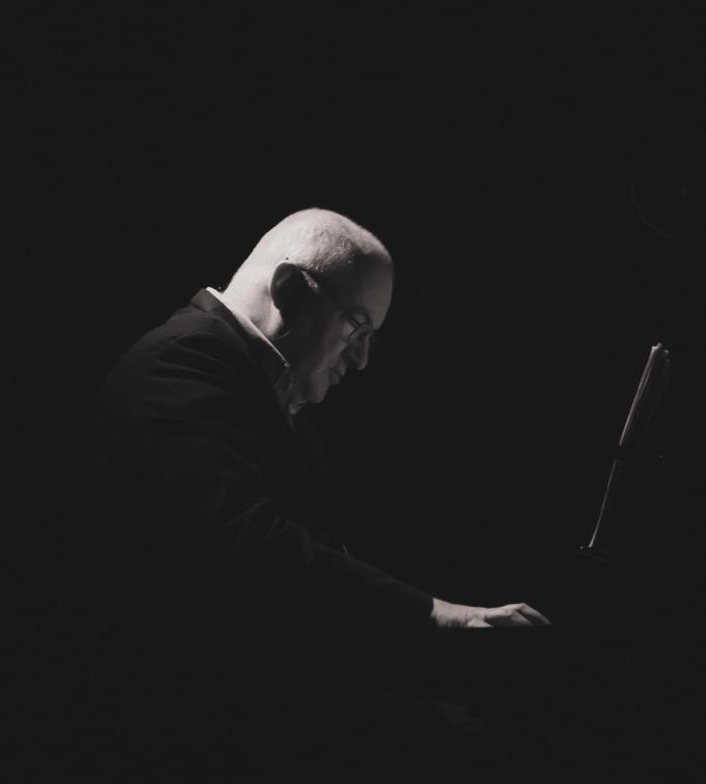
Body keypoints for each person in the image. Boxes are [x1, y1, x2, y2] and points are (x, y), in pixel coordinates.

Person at [89, 208, 550, 780]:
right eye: (356, 329)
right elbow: (253, 545)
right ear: (288, 289)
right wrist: (437, 615)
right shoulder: (179, 364)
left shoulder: (260, 391)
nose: (361, 360)